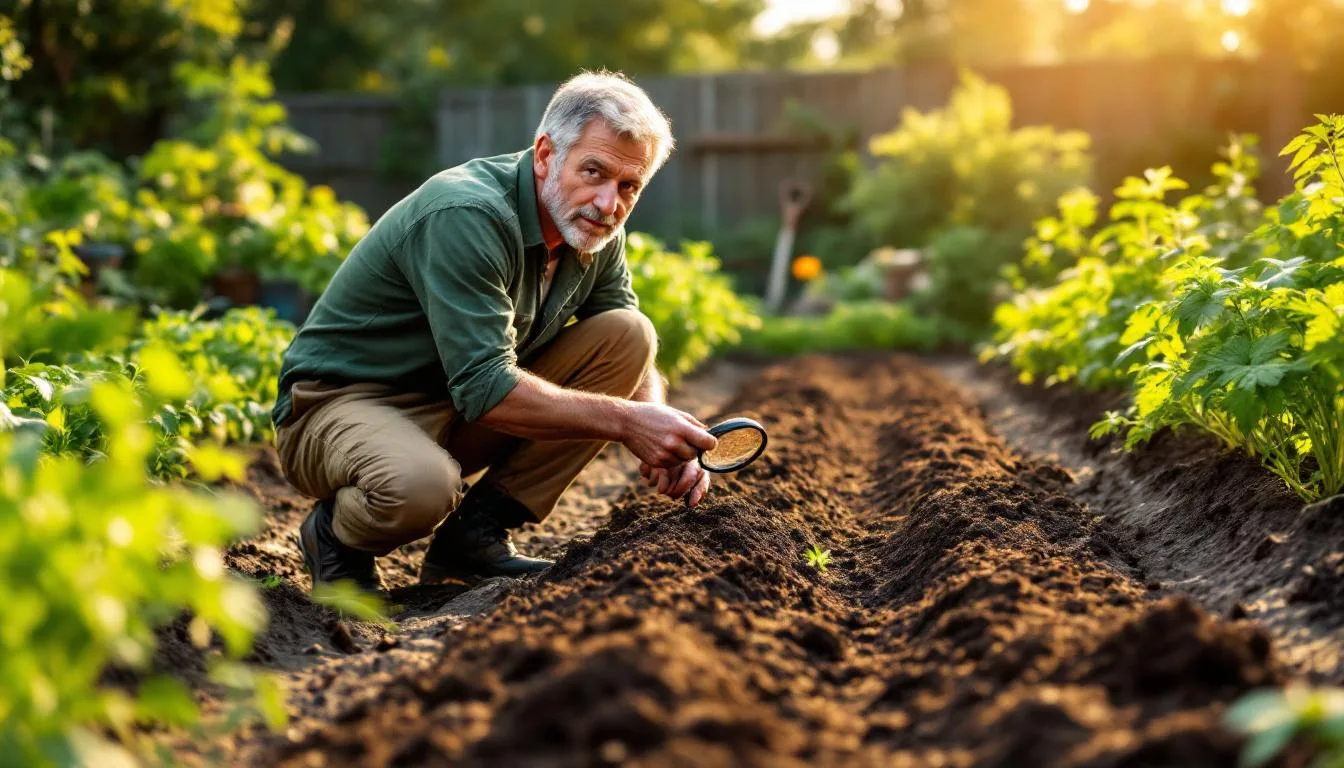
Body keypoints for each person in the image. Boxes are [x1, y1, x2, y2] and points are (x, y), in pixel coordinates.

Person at [271, 71, 718, 593]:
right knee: (420, 487)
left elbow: (629, 345)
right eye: (593, 172)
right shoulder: (468, 214)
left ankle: (474, 539)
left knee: (629, 333)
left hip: (452, 405)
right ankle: (335, 540)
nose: (607, 203)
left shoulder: (594, 228)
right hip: (343, 404)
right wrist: (626, 423)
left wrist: (660, 426)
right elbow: (486, 388)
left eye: (628, 186)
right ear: (546, 154)